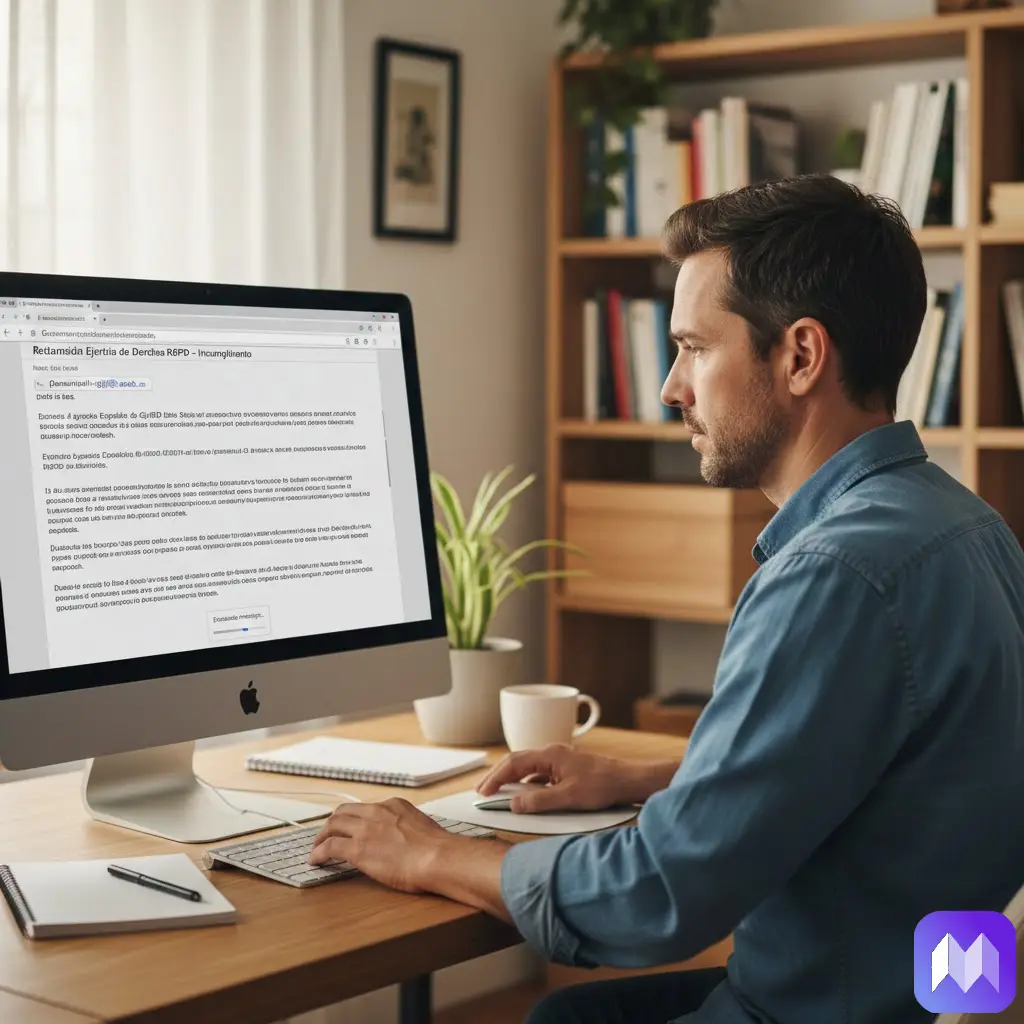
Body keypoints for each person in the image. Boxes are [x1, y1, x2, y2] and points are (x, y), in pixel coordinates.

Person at [308, 173, 1024, 1023]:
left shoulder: (833, 575)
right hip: (925, 987)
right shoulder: (969, 526)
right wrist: (642, 776)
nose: (669, 387)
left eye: (693, 346)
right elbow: (881, 762)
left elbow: (658, 897)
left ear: (800, 356)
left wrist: (428, 854)